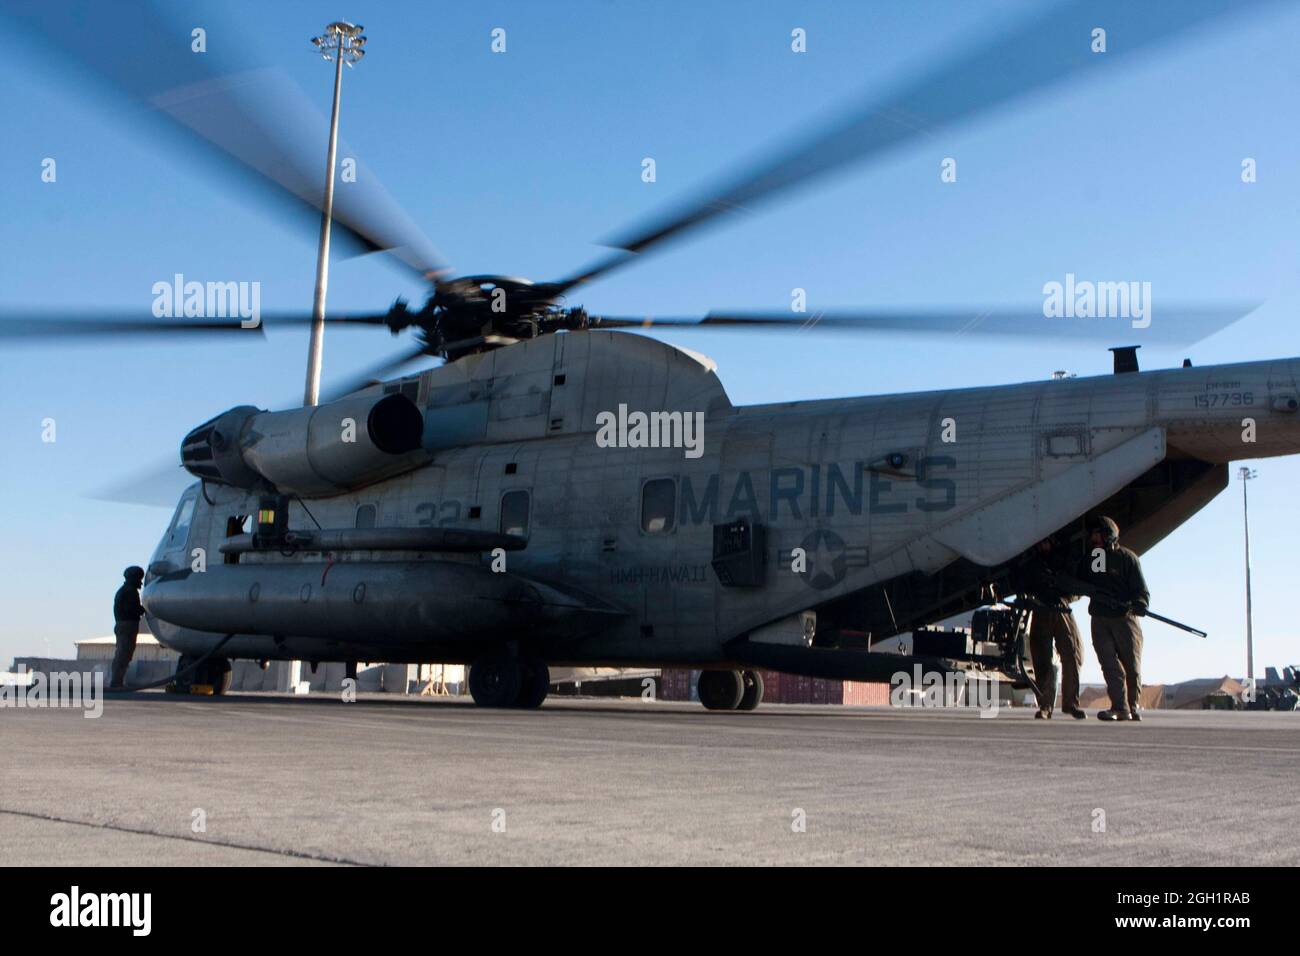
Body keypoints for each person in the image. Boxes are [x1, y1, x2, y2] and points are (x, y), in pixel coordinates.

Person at [1075, 516, 1148, 722]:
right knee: (1109, 664)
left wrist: (1139, 604)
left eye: (1097, 533)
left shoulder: (1127, 558)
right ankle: (1120, 707)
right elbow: (1084, 581)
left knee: (1131, 665)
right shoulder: (1094, 558)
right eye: (1092, 534)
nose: (1093, 538)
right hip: (1100, 618)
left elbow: (1141, 591)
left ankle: (1131, 707)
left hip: (1125, 619)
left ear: (1108, 535)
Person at [1016, 536, 1085, 720]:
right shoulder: (1031, 562)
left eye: (1046, 542)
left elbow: (1078, 588)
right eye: (1040, 543)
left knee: (1072, 654)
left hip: (1061, 609)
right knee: (1041, 659)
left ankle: (1071, 704)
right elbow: (1021, 583)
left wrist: (1062, 594)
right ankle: (1045, 705)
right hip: (1040, 609)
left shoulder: (1065, 559)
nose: (1043, 546)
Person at [112, 566, 146, 689]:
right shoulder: (130, 592)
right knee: (123, 654)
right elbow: (132, 610)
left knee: (124, 654)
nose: (140, 582)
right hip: (127, 626)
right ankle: (116, 682)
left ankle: (117, 681)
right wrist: (145, 609)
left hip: (124, 625)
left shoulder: (125, 590)